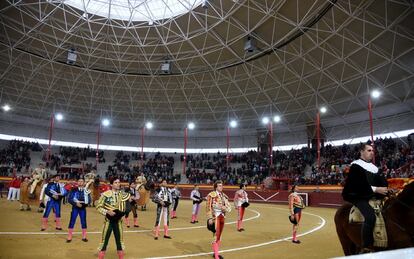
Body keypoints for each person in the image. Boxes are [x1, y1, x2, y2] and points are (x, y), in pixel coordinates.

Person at [342, 143, 388, 253]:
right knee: (371, 216)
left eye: (372, 150)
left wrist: (387, 189)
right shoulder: (355, 166)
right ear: (361, 152)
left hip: (373, 196)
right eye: (369, 150)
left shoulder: (375, 168)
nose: (372, 152)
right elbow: (357, 184)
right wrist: (376, 189)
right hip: (358, 196)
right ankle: (366, 247)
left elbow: (382, 182)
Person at [96, 178, 131, 259]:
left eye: (118, 182)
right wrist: (107, 212)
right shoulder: (105, 194)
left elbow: (127, 206)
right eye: (115, 182)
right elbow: (98, 207)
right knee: (104, 242)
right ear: (111, 184)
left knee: (120, 242)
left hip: (118, 221)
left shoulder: (123, 195)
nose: (118, 184)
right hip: (108, 222)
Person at [206, 180, 231, 259]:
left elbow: (229, 207)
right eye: (220, 185)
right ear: (216, 187)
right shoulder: (211, 195)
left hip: (222, 217)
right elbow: (208, 206)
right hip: (215, 217)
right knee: (216, 236)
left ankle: (215, 253)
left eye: (222, 185)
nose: (221, 187)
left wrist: (225, 209)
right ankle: (216, 256)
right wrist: (210, 217)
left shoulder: (224, 196)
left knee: (219, 236)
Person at [66, 178, 91, 243]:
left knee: (83, 221)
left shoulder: (86, 190)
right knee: (72, 220)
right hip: (75, 207)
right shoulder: (73, 190)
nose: (80, 182)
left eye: (81, 181)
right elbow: (69, 199)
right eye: (79, 181)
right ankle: (69, 236)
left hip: (82, 208)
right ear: (77, 182)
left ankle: (84, 236)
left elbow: (89, 200)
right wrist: (76, 203)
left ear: (84, 183)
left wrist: (83, 205)